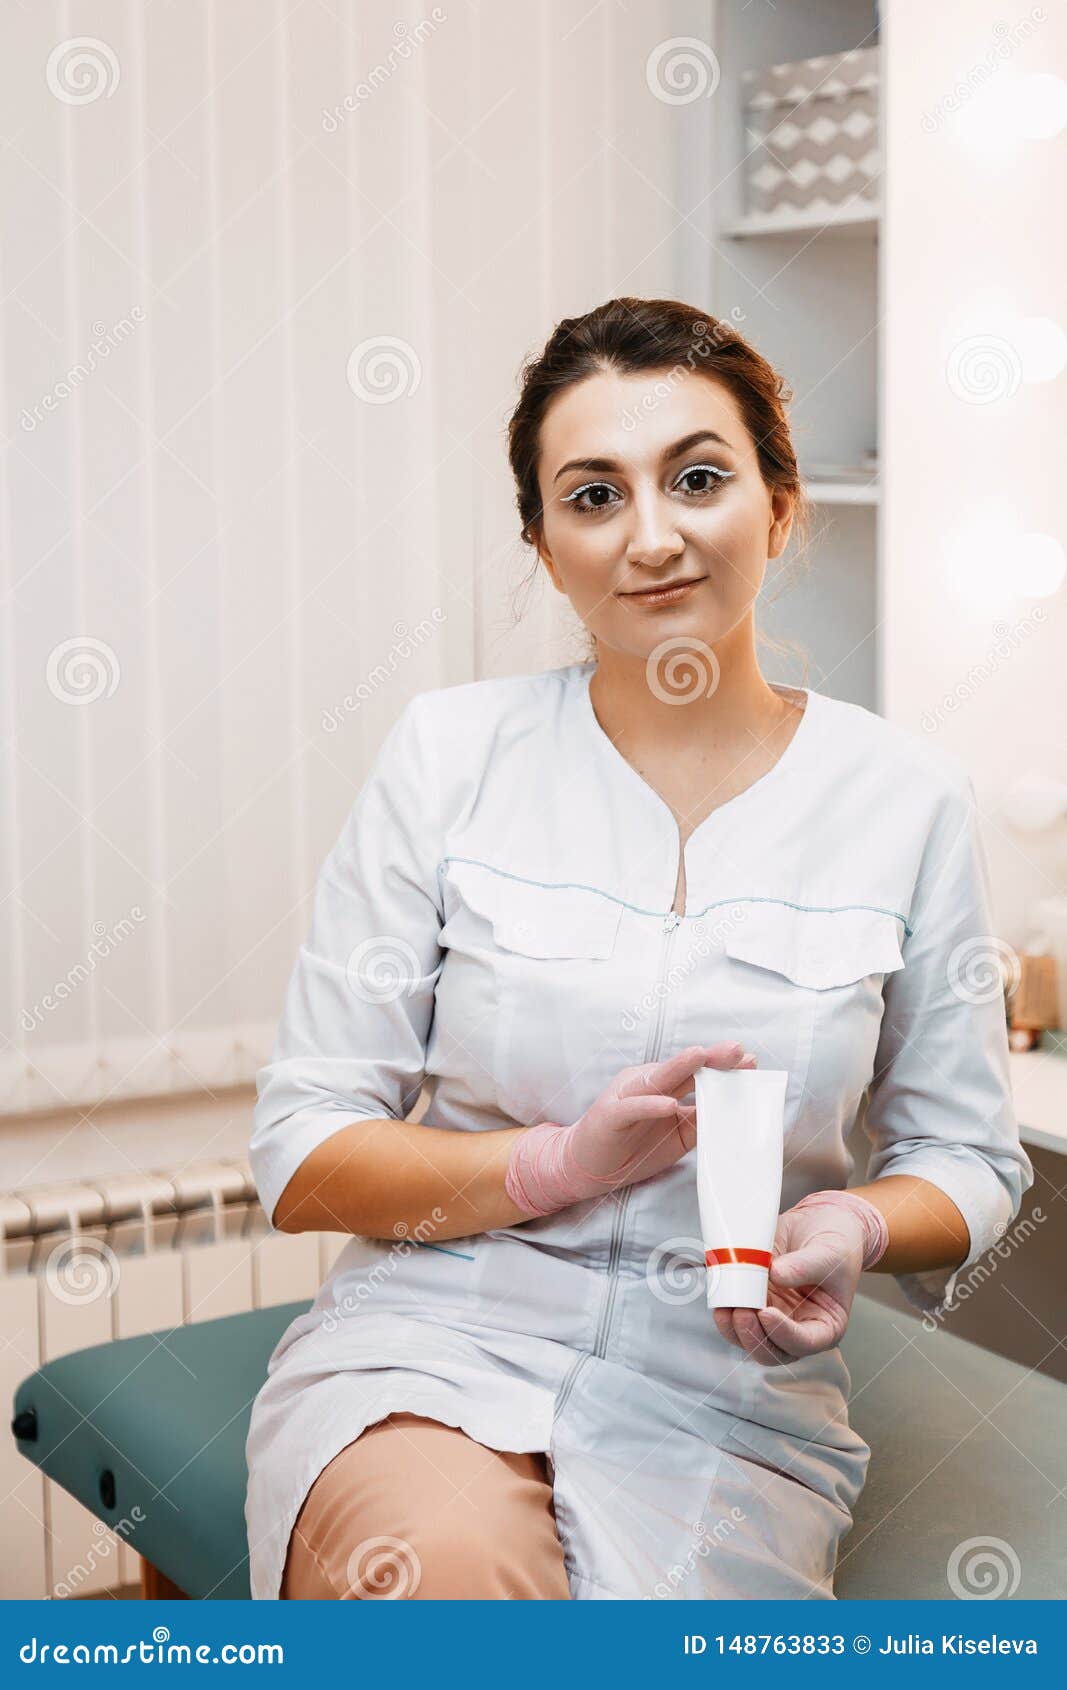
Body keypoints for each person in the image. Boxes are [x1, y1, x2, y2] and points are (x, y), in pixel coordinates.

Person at [243, 296, 1033, 1601]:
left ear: (780, 506)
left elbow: (968, 1158)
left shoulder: (908, 798)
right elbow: (306, 1156)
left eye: (700, 478)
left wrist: (850, 1218)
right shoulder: (449, 757)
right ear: (545, 546)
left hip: (730, 1398)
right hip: (440, 1346)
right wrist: (551, 1164)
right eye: (593, 495)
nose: (651, 535)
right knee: (447, 1588)